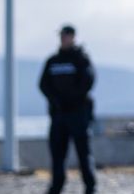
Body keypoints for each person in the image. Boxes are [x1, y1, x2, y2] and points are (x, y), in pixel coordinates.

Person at [39, 24, 96, 194]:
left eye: (67, 35)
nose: (64, 38)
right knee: (57, 155)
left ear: (73, 37)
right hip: (58, 115)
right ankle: (56, 186)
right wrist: (57, 100)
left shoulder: (81, 59)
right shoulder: (53, 61)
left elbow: (88, 81)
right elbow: (43, 85)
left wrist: (70, 99)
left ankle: (90, 186)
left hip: (78, 114)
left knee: (83, 153)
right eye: (62, 35)